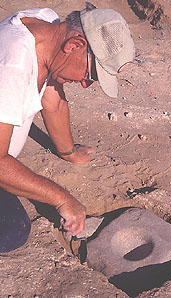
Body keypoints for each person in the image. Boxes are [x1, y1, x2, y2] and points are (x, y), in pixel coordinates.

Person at [0, 2, 135, 252]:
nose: (85, 84)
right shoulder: (12, 65)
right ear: (74, 45)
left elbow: (52, 99)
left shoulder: (48, 27)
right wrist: (62, 198)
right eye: (91, 74)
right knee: (11, 231)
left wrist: (69, 152)